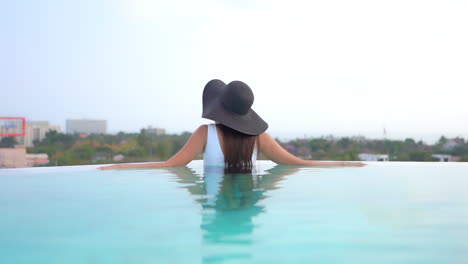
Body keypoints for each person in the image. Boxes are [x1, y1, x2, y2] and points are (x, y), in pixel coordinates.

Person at [99, 79, 365, 170]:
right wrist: (345, 163)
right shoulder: (259, 138)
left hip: (215, 203)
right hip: (247, 203)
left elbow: (170, 165)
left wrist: (118, 166)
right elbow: (298, 163)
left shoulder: (205, 133)